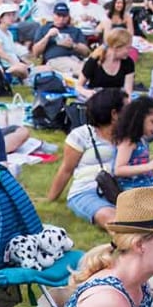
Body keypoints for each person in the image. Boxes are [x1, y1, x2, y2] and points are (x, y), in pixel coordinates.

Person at [46, 88, 128, 226]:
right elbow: (66, 170)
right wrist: (50, 199)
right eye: (128, 108)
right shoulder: (81, 135)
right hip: (87, 191)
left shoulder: (129, 136)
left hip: (123, 190)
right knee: (115, 220)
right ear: (114, 114)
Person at [32, 1, 90, 77]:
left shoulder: (75, 30)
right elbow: (35, 53)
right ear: (53, 15)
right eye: (58, 15)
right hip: (55, 59)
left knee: (89, 67)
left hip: (75, 59)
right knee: (82, 70)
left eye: (64, 16)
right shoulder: (44, 29)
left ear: (68, 16)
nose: (61, 19)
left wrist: (73, 45)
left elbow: (86, 52)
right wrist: (47, 36)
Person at [78, 27, 135, 97]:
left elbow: (128, 92)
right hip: (96, 99)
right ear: (116, 47)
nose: (130, 51)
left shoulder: (128, 63)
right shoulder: (94, 60)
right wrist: (86, 92)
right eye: (127, 48)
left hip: (116, 100)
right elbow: (78, 86)